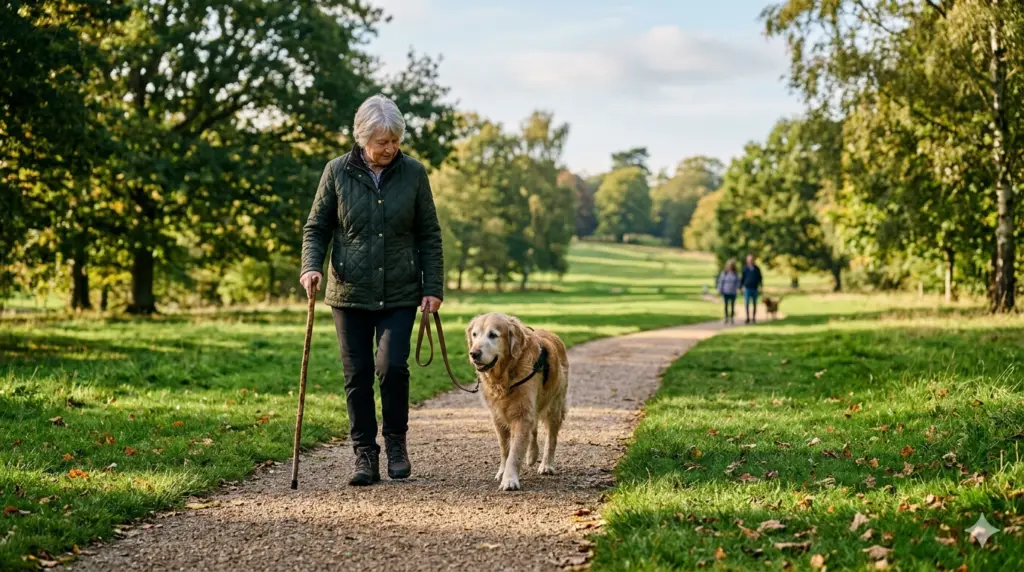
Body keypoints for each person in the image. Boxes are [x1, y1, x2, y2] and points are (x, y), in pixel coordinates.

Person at [299, 95, 444, 487]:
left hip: (399, 290)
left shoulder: (413, 173)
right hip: (349, 291)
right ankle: (365, 454)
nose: (389, 148)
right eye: (382, 142)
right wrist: (311, 266)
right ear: (362, 138)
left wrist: (433, 287)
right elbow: (317, 227)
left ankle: (396, 443)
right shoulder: (336, 172)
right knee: (357, 374)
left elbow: (429, 233)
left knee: (392, 367)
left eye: (395, 140)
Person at [740, 254, 763, 323]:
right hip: (747, 288)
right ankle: (747, 318)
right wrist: (740, 287)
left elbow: (760, 278)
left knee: (754, 304)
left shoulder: (757, 269)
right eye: (749, 260)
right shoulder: (745, 269)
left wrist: (760, 286)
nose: (750, 261)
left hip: (755, 288)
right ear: (747, 261)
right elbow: (742, 278)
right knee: (747, 303)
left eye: (751, 260)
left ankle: (753, 318)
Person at [716, 259, 739, 324]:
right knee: (726, 305)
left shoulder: (735, 273)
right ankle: (726, 317)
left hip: (733, 292)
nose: (730, 267)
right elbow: (721, 282)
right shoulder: (724, 273)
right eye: (729, 265)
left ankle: (731, 317)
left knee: (732, 305)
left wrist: (737, 288)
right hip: (725, 291)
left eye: (731, 266)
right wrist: (719, 289)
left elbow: (737, 282)